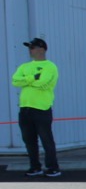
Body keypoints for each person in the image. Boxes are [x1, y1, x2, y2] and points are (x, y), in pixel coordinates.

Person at [12, 37, 60, 177]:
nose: (30, 50)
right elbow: (15, 81)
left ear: (42, 49)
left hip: (42, 108)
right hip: (25, 108)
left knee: (46, 139)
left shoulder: (50, 66)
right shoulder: (24, 66)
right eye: (29, 47)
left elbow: (43, 82)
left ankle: (53, 167)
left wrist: (26, 80)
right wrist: (33, 78)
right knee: (29, 140)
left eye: (32, 47)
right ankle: (35, 167)